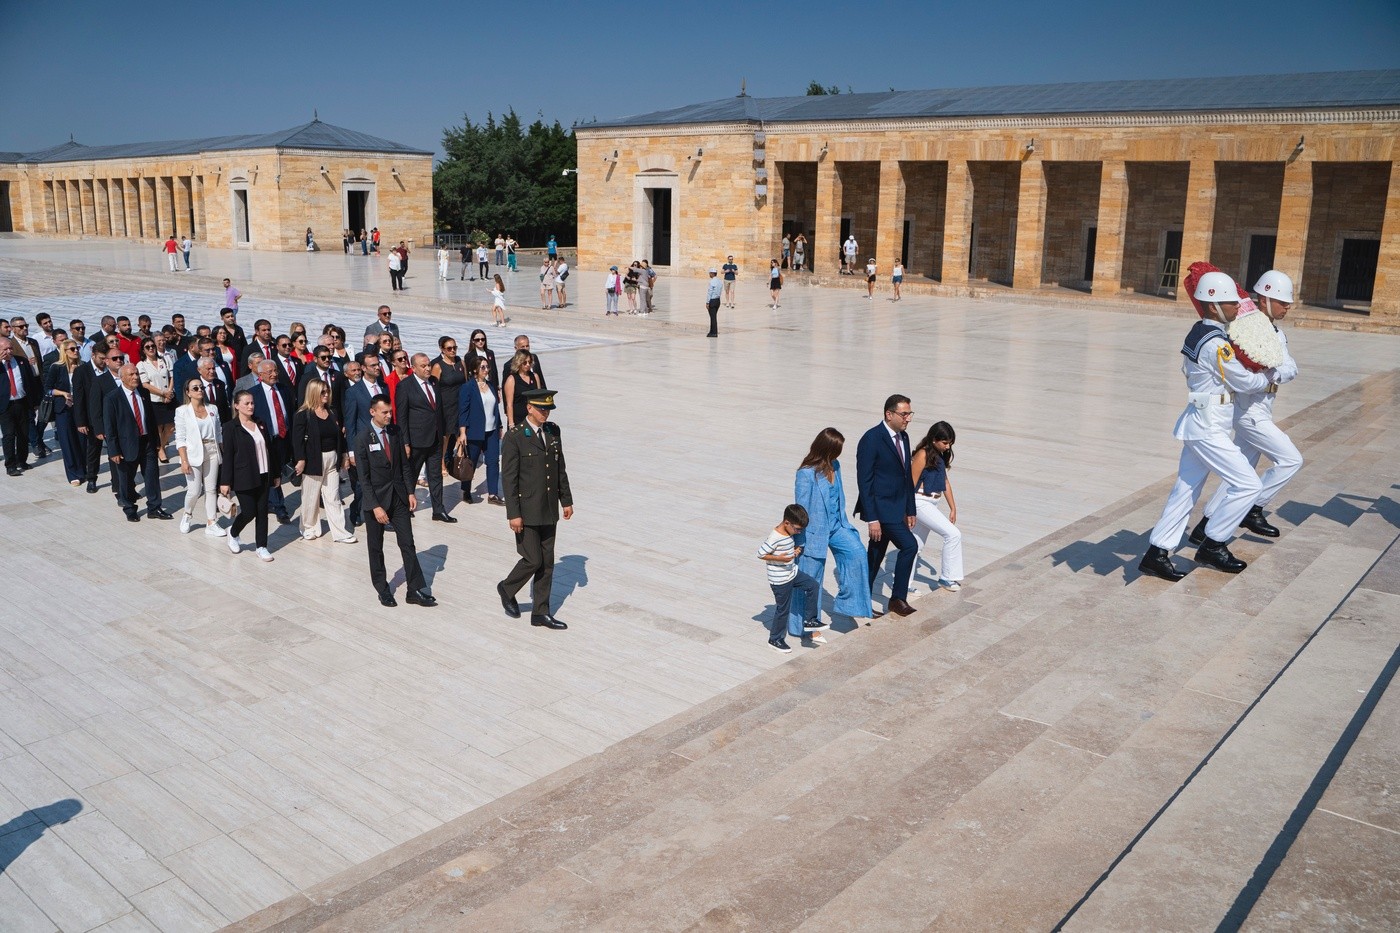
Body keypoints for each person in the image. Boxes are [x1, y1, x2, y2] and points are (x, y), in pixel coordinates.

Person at [1138, 270, 1268, 581]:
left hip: (1204, 422)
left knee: (1185, 490)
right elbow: (1245, 381)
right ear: (1212, 306)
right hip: (1208, 427)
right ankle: (1214, 543)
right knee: (1249, 484)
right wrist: (1269, 374)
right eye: (1231, 303)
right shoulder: (1215, 344)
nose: (1238, 307)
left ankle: (1157, 553)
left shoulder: (1202, 332)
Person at [1188, 270, 1302, 547]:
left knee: (1243, 472)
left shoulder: (1276, 332)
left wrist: (1271, 370)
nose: (1287, 307)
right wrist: (1270, 371)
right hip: (1248, 412)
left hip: (1262, 408)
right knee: (1290, 460)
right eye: (1281, 301)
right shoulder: (1240, 329)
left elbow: (1290, 368)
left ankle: (1205, 525)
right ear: (1264, 299)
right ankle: (1254, 508)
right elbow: (1246, 374)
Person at [497, 388, 573, 629]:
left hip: (548, 507)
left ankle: (541, 612)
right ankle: (507, 588)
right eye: (542, 408)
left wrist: (566, 500)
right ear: (529, 408)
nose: (546, 413)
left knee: (547, 563)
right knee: (532, 559)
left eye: (548, 409)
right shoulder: (515, 436)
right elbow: (509, 479)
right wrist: (513, 514)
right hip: (527, 509)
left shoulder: (553, 431)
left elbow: (559, 467)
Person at [356, 395, 436, 607]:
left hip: (399, 497)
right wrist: (375, 506)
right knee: (376, 547)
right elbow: (362, 479)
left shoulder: (395, 431)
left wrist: (411, 491)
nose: (390, 416)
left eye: (390, 411)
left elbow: (404, 465)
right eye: (385, 412)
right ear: (373, 412)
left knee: (408, 543)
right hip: (376, 503)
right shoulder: (363, 437)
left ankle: (414, 589)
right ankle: (383, 589)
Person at [793, 427, 874, 633]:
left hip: (838, 526)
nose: (838, 455)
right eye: (836, 450)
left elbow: (838, 498)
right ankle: (805, 625)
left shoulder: (835, 466)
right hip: (813, 533)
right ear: (825, 449)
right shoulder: (806, 474)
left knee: (856, 553)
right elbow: (800, 509)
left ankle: (850, 605)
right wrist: (799, 542)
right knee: (811, 580)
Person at [855, 394, 919, 616]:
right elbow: (865, 481)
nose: (908, 419)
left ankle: (859, 599)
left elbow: (906, 476)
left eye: (910, 414)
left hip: (898, 507)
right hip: (881, 509)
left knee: (875, 554)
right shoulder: (872, 439)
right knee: (909, 546)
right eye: (904, 414)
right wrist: (873, 518)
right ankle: (897, 599)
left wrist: (910, 508)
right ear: (888, 414)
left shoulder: (904, 437)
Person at [103, 364, 172, 522]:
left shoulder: (143, 392)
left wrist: (156, 442)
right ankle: (129, 508)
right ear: (122, 378)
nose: (135, 377)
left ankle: (154, 507)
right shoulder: (112, 398)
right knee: (127, 479)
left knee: (152, 476)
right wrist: (113, 451)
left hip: (147, 442)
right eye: (131, 375)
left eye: (136, 374)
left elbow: (150, 419)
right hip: (126, 445)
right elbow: (110, 427)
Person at [292, 378, 355, 543]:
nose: (326, 395)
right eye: (322, 392)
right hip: (313, 459)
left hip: (332, 458)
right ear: (314, 393)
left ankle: (340, 532)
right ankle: (308, 527)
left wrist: (343, 455)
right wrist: (300, 460)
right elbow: (297, 441)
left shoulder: (331, 412)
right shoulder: (303, 415)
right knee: (311, 497)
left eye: (327, 392)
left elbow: (339, 436)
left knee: (333, 496)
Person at [397, 353, 454, 523]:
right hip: (416, 440)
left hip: (435, 438)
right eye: (423, 366)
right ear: (413, 368)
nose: (428, 368)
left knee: (435, 475)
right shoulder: (405, 386)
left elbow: (438, 409)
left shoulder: (435, 383)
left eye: (429, 364)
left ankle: (438, 509)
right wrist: (405, 442)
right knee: (411, 475)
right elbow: (402, 417)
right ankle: (407, 506)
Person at [757, 504, 821, 652]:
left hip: (792, 573)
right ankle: (775, 639)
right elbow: (761, 553)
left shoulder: (788, 533)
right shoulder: (774, 537)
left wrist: (794, 551)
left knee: (813, 585)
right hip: (780, 580)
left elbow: (785, 549)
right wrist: (779, 558)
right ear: (787, 523)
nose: (799, 532)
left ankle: (810, 620)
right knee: (783, 610)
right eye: (797, 529)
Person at [219, 390, 275, 561]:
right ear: (237, 406)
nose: (251, 406)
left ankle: (262, 546)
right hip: (244, 475)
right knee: (249, 511)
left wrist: (276, 473)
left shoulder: (261, 423)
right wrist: (225, 481)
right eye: (246, 403)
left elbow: (270, 450)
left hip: (264, 474)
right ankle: (233, 531)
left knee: (262, 512)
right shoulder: (230, 427)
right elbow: (228, 456)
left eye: (252, 403)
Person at [909, 421, 963, 592]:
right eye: (945, 443)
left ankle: (903, 586)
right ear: (934, 439)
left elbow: (945, 482)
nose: (948, 447)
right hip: (920, 502)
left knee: (914, 546)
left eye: (950, 443)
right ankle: (947, 578)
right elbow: (910, 483)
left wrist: (953, 507)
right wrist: (908, 510)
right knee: (953, 534)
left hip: (932, 502)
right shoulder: (922, 455)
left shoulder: (939, 455)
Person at [175, 377, 225, 536]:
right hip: (193, 453)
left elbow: (218, 433)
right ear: (188, 393)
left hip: (212, 451)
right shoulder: (182, 411)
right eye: (195, 388)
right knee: (195, 490)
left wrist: (223, 453)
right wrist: (184, 460)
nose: (199, 390)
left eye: (201, 387)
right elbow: (180, 438)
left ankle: (212, 522)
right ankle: (187, 514)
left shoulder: (213, 409)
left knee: (211, 489)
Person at [343, 351, 386, 527]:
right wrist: (351, 450)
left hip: (383, 441)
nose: (377, 368)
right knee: (362, 483)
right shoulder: (354, 392)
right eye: (373, 365)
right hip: (362, 444)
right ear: (363, 368)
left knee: (382, 480)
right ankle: (356, 509)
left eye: (378, 364)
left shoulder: (384, 388)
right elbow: (350, 422)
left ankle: (381, 513)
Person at [456, 354, 505, 505]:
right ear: (475, 370)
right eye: (482, 367)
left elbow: (495, 408)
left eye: (487, 366)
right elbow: (463, 411)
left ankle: (493, 494)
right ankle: (466, 490)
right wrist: (463, 432)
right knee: (471, 463)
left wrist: (500, 425)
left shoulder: (490, 385)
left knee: (493, 461)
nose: (486, 369)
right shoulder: (467, 387)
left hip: (491, 431)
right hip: (474, 432)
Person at [250, 360, 295, 524]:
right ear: (260, 375)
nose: (274, 374)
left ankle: (270, 501)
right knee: (272, 473)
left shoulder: (284, 389)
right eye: (269, 372)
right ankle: (280, 508)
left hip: (284, 438)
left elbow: (290, 411)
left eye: (275, 370)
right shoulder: (253, 394)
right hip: (266, 440)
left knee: (284, 471)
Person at [44, 339, 85, 485]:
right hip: (63, 408)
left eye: (77, 348)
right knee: (67, 441)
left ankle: (82, 469)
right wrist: (62, 393)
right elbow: (47, 388)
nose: (76, 351)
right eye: (72, 349)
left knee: (81, 440)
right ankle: (72, 473)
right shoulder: (57, 367)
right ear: (65, 351)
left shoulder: (83, 366)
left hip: (80, 409)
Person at [1, 341, 39, 476]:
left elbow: (30, 382)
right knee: (9, 435)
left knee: (23, 434)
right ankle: (10, 465)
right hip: (5, 406)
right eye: (5, 349)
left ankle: (21, 460)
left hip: (22, 403)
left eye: (11, 348)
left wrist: (34, 401)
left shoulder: (21, 361)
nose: (9, 351)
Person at [431, 336, 467, 474]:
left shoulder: (460, 362)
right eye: (449, 348)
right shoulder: (438, 366)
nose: (453, 351)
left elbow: (465, 382)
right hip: (445, 406)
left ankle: (459, 461)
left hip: (460, 404)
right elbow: (434, 388)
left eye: (455, 348)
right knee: (445, 436)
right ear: (442, 350)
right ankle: (441, 463)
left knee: (461, 433)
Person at [137, 337, 176, 461]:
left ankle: (162, 445)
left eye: (152, 346)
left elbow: (171, 376)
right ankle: (160, 450)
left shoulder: (165, 359)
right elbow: (145, 384)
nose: (151, 349)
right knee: (158, 427)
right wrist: (162, 393)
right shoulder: (142, 364)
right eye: (147, 347)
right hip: (154, 399)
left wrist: (169, 392)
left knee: (171, 427)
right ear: (143, 350)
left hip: (169, 396)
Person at [502, 350, 539, 427]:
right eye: (524, 363)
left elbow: (538, 398)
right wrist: (511, 424)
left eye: (529, 362)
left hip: (533, 419)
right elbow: (509, 405)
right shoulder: (512, 379)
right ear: (519, 363)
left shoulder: (535, 376)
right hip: (518, 420)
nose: (528, 365)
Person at [705, 268, 722, 338]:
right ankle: (712, 331)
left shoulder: (712, 282)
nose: (709, 274)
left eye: (710, 273)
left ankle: (714, 333)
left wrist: (707, 302)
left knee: (713, 317)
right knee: (713, 317)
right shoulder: (719, 281)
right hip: (718, 300)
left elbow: (710, 292)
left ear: (712, 273)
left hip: (712, 300)